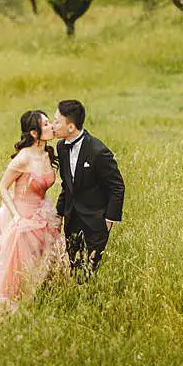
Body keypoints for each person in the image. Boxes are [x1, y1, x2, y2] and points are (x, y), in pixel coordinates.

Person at [0, 109, 66, 313]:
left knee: (45, 263)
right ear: (34, 133)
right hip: (22, 215)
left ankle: (39, 300)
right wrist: (16, 216)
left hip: (43, 212)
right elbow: (2, 187)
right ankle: (7, 306)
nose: (51, 127)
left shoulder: (48, 153)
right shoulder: (23, 159)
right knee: (16, 267)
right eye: (46, 124)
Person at [52, 99, 125, 278]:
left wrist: (109, 220)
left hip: (96, 220)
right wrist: (59, 214)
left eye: (57, 121)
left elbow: (117, 186)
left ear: (71, 127)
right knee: (75, 268)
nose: (53, 125)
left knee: (90, 270)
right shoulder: (61, 147)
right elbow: (66, 184)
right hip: (72, 219)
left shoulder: (98, 151)